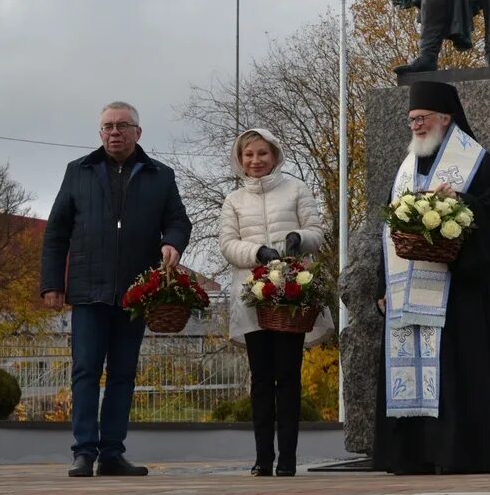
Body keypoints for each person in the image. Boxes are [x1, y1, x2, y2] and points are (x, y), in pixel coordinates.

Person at [40, 101, 191, 477]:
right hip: (88, 291)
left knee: (123, 374)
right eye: (108, 126)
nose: (115, 132)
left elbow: (178, 220)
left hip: (135, 293)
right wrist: (52, 284)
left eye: (123, 125)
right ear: (100, 132)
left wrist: (173, 241)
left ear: (138, 132)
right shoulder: (79, 172)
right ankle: (83, 452)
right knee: (86, 371)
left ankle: (111, 454)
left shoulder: (161, 175)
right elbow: (56, 232)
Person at [372, 81, 490, 474]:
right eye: (411, 121)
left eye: (422, 119)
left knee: (456, 374)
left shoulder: (476, 162)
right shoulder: (405, 169)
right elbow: (387, 232)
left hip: (459, 294)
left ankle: (458, 455)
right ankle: (411, 455)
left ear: (445, 119)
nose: (416, 127)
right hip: (405, 300)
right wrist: (382, 288)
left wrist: (461, 204)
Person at [219, 128, 333, 477]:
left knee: (288, 376)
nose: (255, 161)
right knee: (261, 378)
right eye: (249, 155)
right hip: (253, 297)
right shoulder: (233, 200)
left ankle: (287, 460)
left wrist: (299, 238)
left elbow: (317, 230)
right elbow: (227, 243)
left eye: (262, 153)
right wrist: (257, 252)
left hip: (292, 295)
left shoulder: (296, 189)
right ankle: (262, 458)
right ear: (240, 159)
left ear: (275, 154)